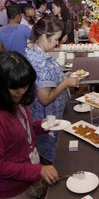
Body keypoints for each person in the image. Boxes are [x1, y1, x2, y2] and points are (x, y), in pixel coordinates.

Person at [0, 51, 59, 199]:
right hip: (9, 192)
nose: (21, 91)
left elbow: (20, 131)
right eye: (15, 87)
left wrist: (41, 125)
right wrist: (39, 171)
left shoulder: (14, 101)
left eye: (25, 85)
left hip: (25, 181)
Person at [26, 14, 79, 163]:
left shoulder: (35, 53)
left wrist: (63, 76)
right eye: (55, 39)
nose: (57, 43)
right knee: (54, 161)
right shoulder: (40, 63)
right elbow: (45, 98)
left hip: (49, 119)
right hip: (48, 122)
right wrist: (66, 82)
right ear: (43, 37)